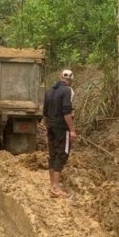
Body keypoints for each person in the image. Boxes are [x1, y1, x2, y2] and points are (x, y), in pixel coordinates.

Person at [43, 68, 78, 197]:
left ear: (60, 77)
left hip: (50, 126)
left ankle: (53, 185)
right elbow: (67, 112)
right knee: (61, 154)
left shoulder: (49, 91)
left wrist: (47, 128)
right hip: (61, 128)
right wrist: (72, 130)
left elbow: (45, 112)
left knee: (52, 154)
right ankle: (56, 188)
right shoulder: (68, 90)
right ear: (70, 80)